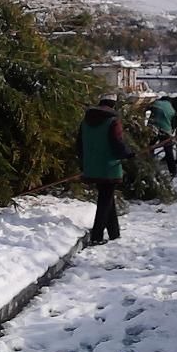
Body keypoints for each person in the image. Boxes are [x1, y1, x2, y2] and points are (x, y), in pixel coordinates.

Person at [76, 94, 135, 245]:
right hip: (109, 166)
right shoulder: (113, 121)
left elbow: (79, 144)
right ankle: (97, 236)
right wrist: (128, 153)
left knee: (107, 197)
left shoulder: (85, 122)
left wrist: (84, 162)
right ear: (113, 105)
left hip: (91, 165)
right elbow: (117, 143)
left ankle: (114, 232)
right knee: (105, 199)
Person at [148, 95, 177, 176]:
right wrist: (172, 131)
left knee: (150, 147)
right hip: (166, 130)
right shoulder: (172, 109)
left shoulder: (157, 103)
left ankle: (149, 167)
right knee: (169, 151)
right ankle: (173, 171)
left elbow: (146, 107)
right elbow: (173, 122)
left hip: (153, 128)